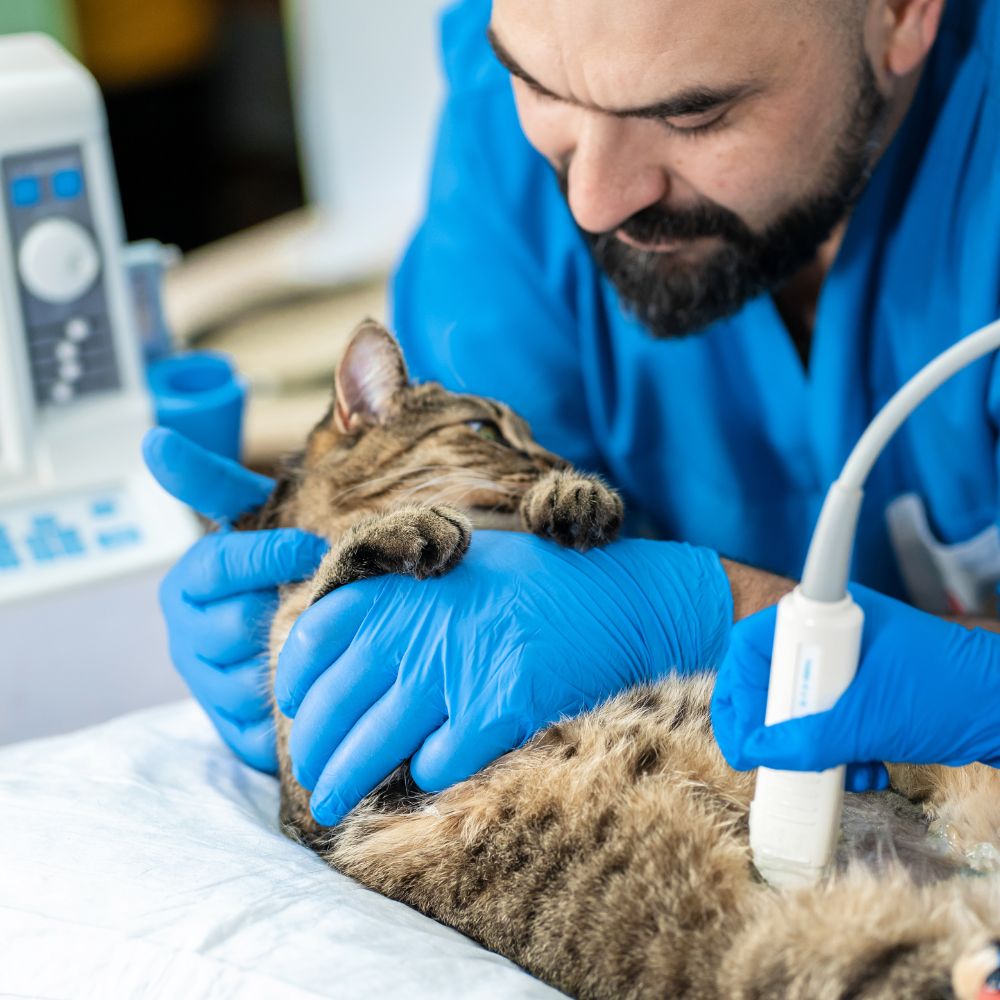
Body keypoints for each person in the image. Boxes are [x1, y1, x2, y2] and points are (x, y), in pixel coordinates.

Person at [144, 0, 1000, 826]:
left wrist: (703, 616)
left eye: (693, 115)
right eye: (541, 88)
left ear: (900, 12)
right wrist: (319, 579)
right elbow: (464, 523)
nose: (592, 201)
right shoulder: (510, 138)